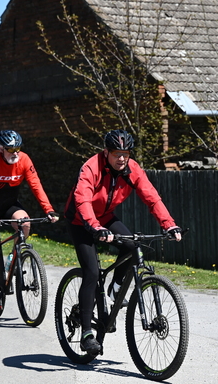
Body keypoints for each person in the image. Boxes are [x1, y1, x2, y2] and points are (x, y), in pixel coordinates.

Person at [65, 129, 182, 355]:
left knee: (132, 246)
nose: (121, 158)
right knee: (91, 272)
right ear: (106, 152)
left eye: (125, 154)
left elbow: (152, 197)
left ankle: (114, 289)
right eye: (116, 154)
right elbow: (82, 199)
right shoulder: (91, 167)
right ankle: (87, 333)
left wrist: (168, 224)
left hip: (105, 217)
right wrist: (94, 226)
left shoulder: (132, 169)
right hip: (80, 221)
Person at [0, 130, 59, 312]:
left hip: (9, 204)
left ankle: (12, 260)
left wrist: (49, 210)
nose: (15, 153)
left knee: (25, 223)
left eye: (18, 148)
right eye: (11, 149)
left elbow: (35, 184)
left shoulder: (24, 159)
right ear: (1, 149)